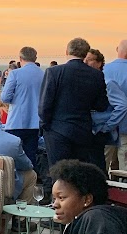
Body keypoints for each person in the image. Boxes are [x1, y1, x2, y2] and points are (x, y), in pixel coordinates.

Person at [39, 37, 109, 169]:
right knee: (77, 174)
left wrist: (45, 126)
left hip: (56, 130)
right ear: (85, 54)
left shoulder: (54, 72)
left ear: (66, 51)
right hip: (82, 130)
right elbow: (101, 105)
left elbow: (45, 104)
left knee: (58, 173)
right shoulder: (96, 75)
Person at [0, 46, 44, 168]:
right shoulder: (43, 74)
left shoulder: (15, 74)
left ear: (20, 58)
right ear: (35, 58)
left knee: (12, 156)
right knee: (31, 155)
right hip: (36, 122)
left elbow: (5, 97)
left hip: (16, 121)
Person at [86, 49, 127, 174]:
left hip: (105, 130)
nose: (86, 62)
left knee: (106, 164)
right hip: (100, 130)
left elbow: (122, 105)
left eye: (90, 59)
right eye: (85, 59)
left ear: (99, 63)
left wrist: (108, 125)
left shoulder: (107, 82)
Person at [103, 39, 127, 170]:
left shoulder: (105, 70)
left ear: (118, 50)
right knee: (125, 163)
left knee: (105, 161)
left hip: (108, 124)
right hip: (126, 127)